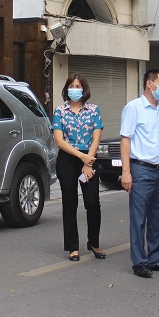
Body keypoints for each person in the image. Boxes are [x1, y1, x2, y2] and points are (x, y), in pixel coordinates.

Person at [120, 69, 159, 278]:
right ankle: (139, 262)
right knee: (139, 218)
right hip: (141, 168)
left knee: (158, 216)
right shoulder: (133, 108)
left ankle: (154, 258)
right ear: (149, 83)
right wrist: (126, 172)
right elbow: (125, 139)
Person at [51, 73, 105, 262]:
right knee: (70, 203)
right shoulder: (60, 111)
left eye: (78, 86)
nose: (75, 89)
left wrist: (88, 160)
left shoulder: (93, 110)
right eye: (71, 86)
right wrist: (81, 157)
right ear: (67, 89)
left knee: (92, 203)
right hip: (68, 159)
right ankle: (72, 247)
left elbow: (96, 137)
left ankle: (94, 242)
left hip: (89, 157)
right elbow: (59, 140)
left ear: (84, 89)